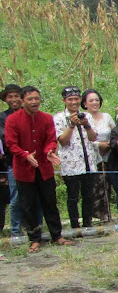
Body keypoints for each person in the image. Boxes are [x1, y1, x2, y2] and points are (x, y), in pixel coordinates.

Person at [4, 86, 73, 252]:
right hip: (23, 169)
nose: (34, 102)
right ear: (22, 101)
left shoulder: (46, 118)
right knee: (27, 205)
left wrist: (49, 151)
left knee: (50, 202)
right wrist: (25, 155)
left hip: (44, 167)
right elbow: (11, 144)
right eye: (30, 99)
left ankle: (57, 235)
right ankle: (34, 238)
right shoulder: (13, 120)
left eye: (36, 98)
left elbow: (51, 140)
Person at [54, 86, 99, 229]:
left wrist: (87, 125)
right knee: (73, 196)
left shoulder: (87, 116)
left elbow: (93, 138)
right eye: (70, 99)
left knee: (88, 195)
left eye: (76, 99)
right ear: (64, 100)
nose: (74, 102)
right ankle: (74, 224)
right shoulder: (59, 118)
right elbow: (62, 141)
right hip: (70, 164)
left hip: (88, 162)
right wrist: (72, 125)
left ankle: (87, 222)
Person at [83, 89, 115, 223]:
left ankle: (106, 215)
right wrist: (98, 145)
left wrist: (109, 144)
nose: (94, 103)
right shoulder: (83, 118)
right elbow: (83, 139)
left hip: (107, 156)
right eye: (91, 100)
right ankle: (93, 216)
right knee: (93, 187)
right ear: (84, 104)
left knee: (106, 186)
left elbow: (115, 133)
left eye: (97, 100)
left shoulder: (107, 116)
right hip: (91, 156)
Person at [0, 84, 25, 235]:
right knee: (15, 197)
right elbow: (5, 137)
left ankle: (33, 226)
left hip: (32, 159)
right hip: (11, 160)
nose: (14, 99)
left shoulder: (29, 113)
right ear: (5, 99)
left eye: (17, 96)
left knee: (32, 196)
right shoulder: (2, 117)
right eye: (10, 96)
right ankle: (16, 230)